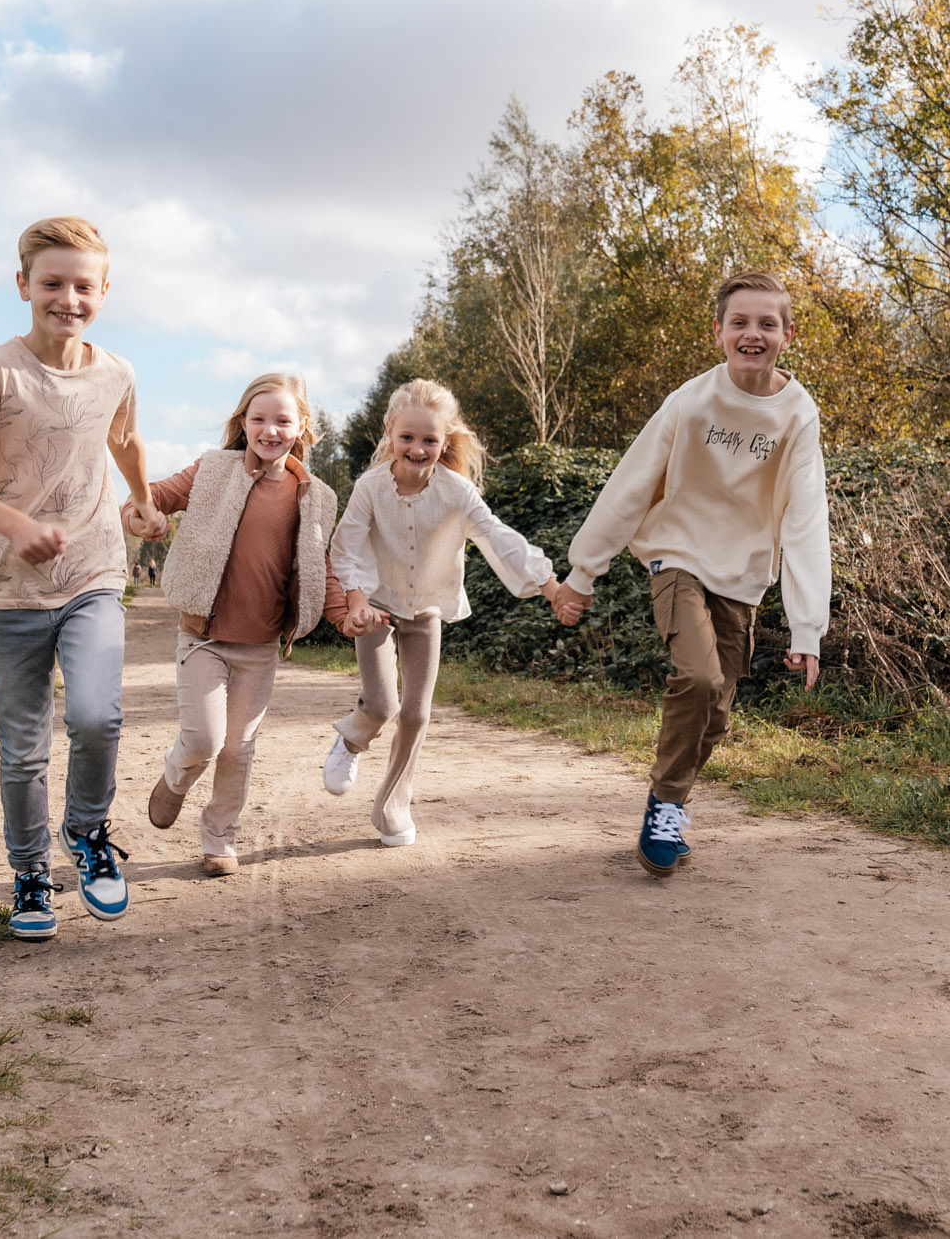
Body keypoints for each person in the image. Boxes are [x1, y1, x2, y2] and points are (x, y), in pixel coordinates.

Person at [0, 216, 163, 941]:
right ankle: (30, 875)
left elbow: (122, 436)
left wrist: (145, 498)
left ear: (104, 290)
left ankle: (88, 833)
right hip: (11, 586)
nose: (68, 297)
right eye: (53, 283)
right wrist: (16, 526)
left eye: (83, 285)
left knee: (97, 715)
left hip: (93, 569)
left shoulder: (116, 371)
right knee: (23, 746)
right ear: (24, 284)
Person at [554, 270, 830, 877]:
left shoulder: (797, 416)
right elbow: (630, 485)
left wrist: (808, 627)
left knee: (719, 710)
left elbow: (807, 519)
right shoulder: (691, 401)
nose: (752, 334)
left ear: (788, 333)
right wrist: (583, 571)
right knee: (699, 679)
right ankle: (666, 805)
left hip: (743, 573)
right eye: (740, 322)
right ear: (718, 332)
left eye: (766, 323)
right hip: (676, 555)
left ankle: (669, 799)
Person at [321, 379, 572, 845]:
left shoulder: (457, 492)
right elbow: (347, 546)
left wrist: (550, 585)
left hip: (426, 610)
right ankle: (352, 740)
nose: (418, 449)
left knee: (416, 714)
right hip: (375, 606)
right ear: (390, 430)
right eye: (408, 437)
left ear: (445, 440)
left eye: (430, 440)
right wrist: (355, 600)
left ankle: (393, 805)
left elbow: (499, 538)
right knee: (382, 704)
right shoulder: (370, 487)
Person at [130, 374, 358, 875]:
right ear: (243, 423)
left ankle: (219, 840)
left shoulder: (315, 495)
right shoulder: (212, 470)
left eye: (283, 420)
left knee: (238, 748)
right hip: (204, 638)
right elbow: (152, 496)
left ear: (302, 427)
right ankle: (175, 776)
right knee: (204, 741)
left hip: (260, 645)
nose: (270, 429)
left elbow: (324, 564)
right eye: (259, 419)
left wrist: (344, 616)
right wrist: (139, 515)